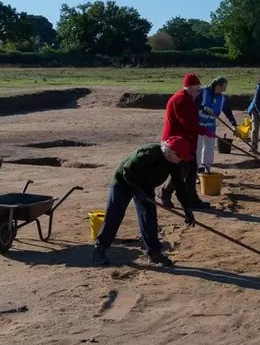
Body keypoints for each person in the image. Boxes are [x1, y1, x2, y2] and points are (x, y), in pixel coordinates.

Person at [92, 136, 197, 268]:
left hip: (146, 186)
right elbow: (127, 170)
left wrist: (187, 209)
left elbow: (180, 186)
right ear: (171, 152)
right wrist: (137, 190)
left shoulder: (175, 163)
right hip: (123, 182)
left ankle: (154, 253)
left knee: (149, 217)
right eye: (181, 156)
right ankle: (100, 247)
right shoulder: (150, 153)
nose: (182, 160)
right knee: (114, 215)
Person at [159, 73, 216, 209]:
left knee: (191, 170)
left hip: (186, 141)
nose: (199, 92)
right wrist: (205, 131)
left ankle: (191, 199)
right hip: (176, 143)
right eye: (197, 89)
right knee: (182, 171)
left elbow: (191, 123)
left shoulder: (188, 99)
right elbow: (188, 124)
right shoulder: (181, 100)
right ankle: (165, 194)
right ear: (189, 87)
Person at [195, 76, 237, 173]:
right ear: (217, 85)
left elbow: (228, 112)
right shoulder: (202, 92)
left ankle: (207, 170)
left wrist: (234, 125)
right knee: (197, 149)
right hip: (198, 126)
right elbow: (193, 103)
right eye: (223, 88)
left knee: (209, 149)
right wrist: (203, 108)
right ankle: (195, 172)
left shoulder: (222, 99)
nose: (224, 90)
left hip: (210, 127)